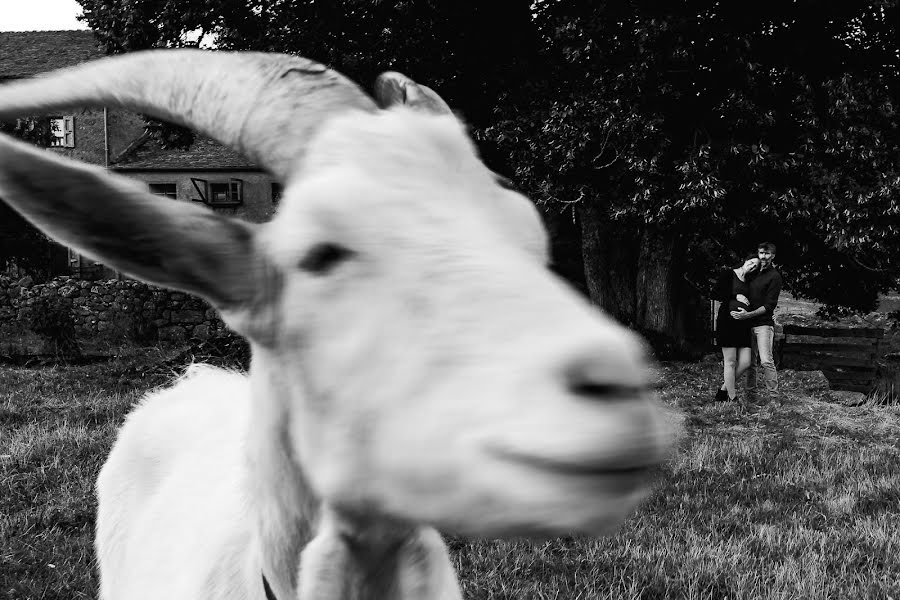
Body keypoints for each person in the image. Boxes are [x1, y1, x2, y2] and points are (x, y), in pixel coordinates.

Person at [731, 242, 782, 402]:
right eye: (761, 253)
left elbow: (769, 306)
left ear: (773, 256)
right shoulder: (752, 273)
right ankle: (751, 397)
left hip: (763, 325)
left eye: (767, 254)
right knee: (750, 363)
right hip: (747, 325)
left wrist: (748, 315)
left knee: (766, 361)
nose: (764, 256)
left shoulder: (775, 277)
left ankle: (774, 398)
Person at [713, 254, 760, 401]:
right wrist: (735, 296)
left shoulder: (750, 281)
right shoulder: (728, 274)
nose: (752, 266)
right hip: (727, 321)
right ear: (745, 260)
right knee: (731, 361)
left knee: (745, 362)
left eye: (755, 266)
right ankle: (732, 397)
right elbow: (715, 293)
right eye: (751, 262)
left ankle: (723, 391)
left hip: (743, 324)